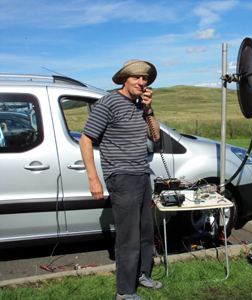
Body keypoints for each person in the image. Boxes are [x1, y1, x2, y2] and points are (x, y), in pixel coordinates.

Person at [79, 60, 163, 300]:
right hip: (121, 176)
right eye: (136, 77)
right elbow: (85, 140)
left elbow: (155, 136)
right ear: (125, 79)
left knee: (145, 231)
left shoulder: (140, 106)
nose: (141, 82)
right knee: (128, 237)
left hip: (141, 174)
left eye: (145, 79)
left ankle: (142, 274)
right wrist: (93, 179)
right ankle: (125, 292)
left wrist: (149, 109)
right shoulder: (108, 102)